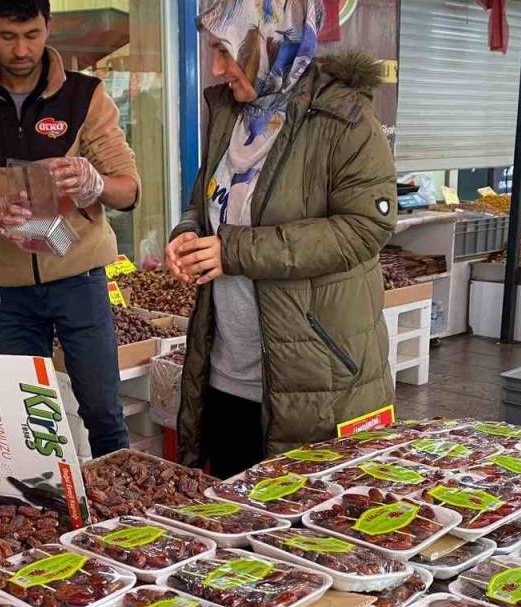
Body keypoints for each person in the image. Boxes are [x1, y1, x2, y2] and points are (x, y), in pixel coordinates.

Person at [165, 0, 397, 477]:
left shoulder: (344, 120)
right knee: (231, 524)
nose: (215, 67)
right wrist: (188, 232)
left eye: (225, 50)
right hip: (228, 371)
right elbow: (208, 200)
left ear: (272, 39)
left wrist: (234, 251)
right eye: (213, 50)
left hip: (316, 375)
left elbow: (364, 228)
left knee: (307, 531)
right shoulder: (230, 114)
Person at [0, 0, 139, 458]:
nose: (21, 49)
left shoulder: (85, 95)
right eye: (8, 36)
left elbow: (128, 190)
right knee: (27, 412)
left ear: (48, 27)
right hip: (10, 289)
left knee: (103, 409)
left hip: (80, 278)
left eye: (32, 34)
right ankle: (46, 506)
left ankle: (117, 509)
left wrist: (95, 181)